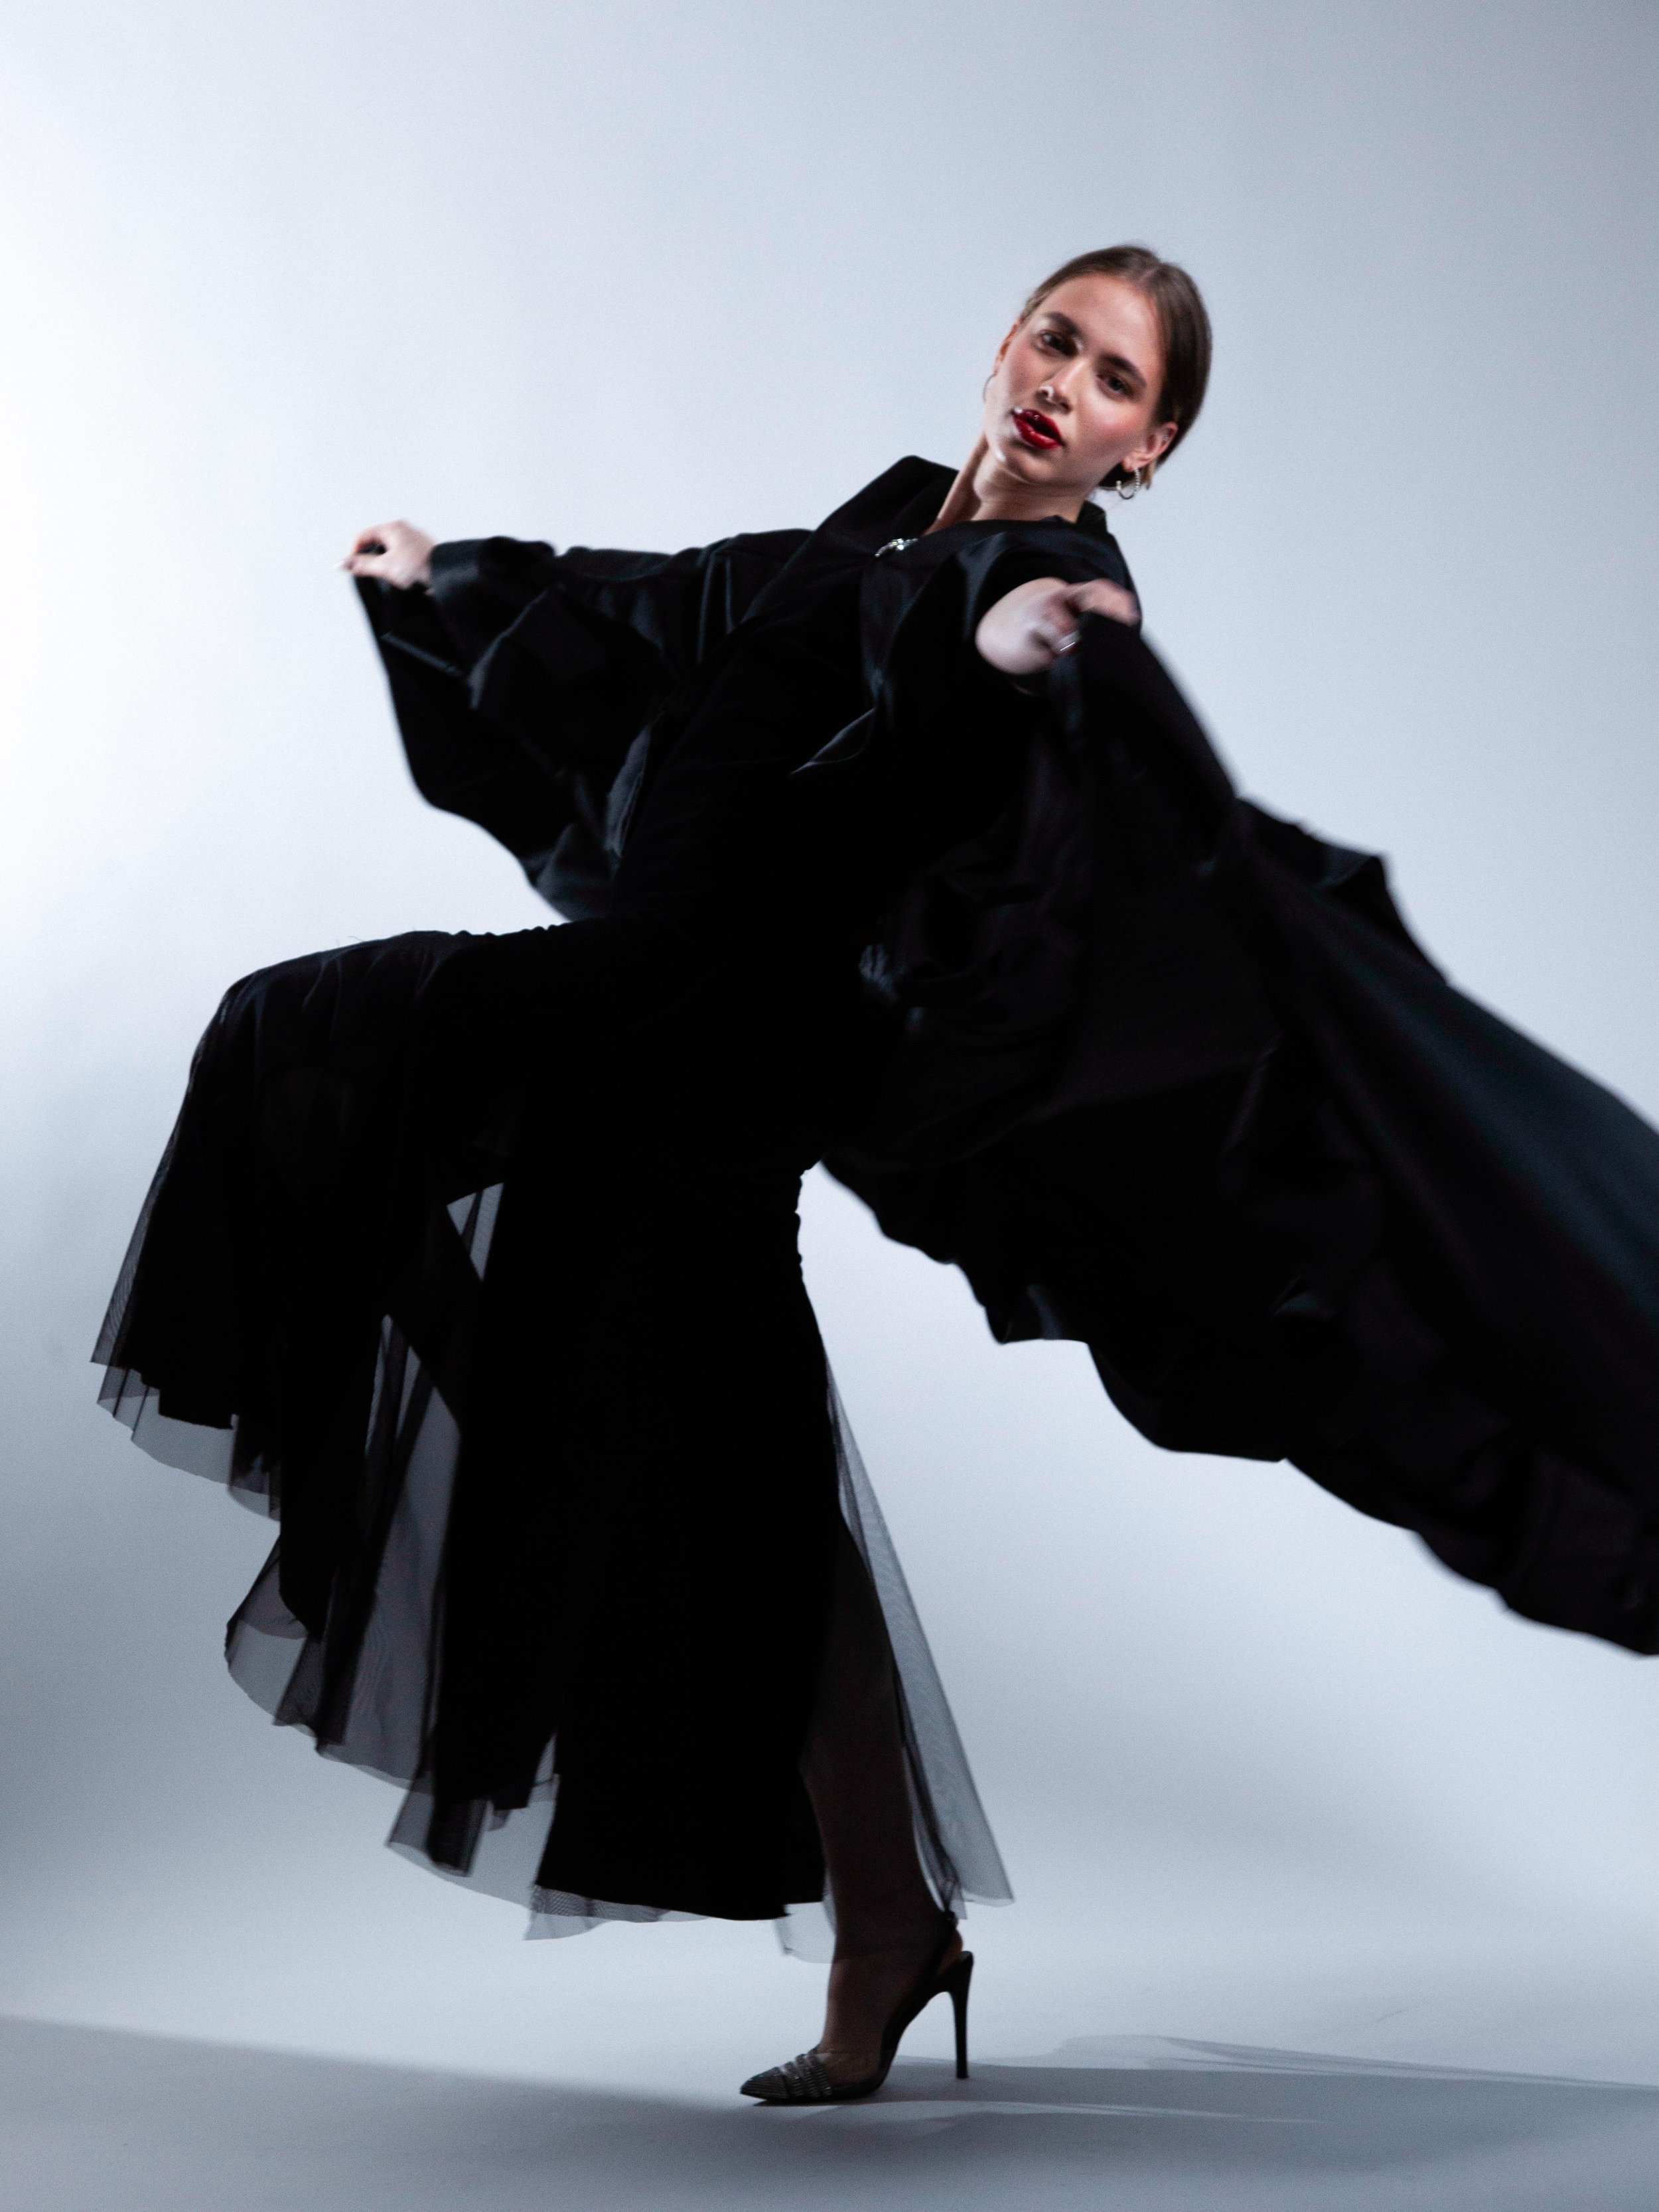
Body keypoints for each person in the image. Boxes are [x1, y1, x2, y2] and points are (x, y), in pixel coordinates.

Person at [94, 246, 1659, 2106]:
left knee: (308, 1042)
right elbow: (661, 612)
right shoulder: (850, 538)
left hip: (721, 1024)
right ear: (1004, 342)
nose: (1061, 386)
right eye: (1053, 341)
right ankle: (888, 1924)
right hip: (681, 1054)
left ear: (1144, 447)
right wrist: (445, 584)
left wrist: (1023, 647)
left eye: (1111, 383)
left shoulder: (1048, 581)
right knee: (754, 1494)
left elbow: (1050, 678)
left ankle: (569, 1505)